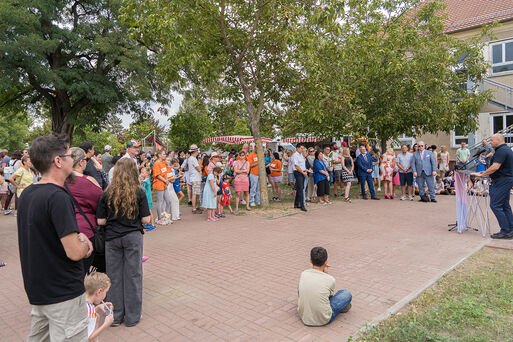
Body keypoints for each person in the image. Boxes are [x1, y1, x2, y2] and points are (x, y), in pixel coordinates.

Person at [18, 134, 93, 341]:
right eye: (69, 155)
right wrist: (85, 244)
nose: (73, 159)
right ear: (58, 161)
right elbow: (75, 252)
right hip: (63, 293)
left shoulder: (28, 194)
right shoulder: (58, 197)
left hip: (38, 291)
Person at [96, 158, 151, 327]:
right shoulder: (139, 192)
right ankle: (133, 316)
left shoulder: (107, 193)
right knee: (133, 275)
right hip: (132, 236)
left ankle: (115, 315)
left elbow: (100, 221)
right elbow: (146, 219)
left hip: (112, 238)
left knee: (113, 277)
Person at [65, 147, 103, 274]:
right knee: (82, 271)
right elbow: (101, 204)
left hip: (63, 231)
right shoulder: (87, 181)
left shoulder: (59, 181)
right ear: (81, 162)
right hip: (86, 232)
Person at [297, 247, 352, 326]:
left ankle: (309, 303)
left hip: (304, 316)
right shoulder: (330, 279)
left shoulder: (304, 273)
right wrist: (326, 273)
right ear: (326, 262)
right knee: (346, 293)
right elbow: (329, 297)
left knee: (302, 284)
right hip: (323, 319)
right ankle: (341, 307)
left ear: (310, 260)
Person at [472, 133, 513, 239]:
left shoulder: (502, 151)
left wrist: (482, 174)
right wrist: (490, 176)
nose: (490, 142)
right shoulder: (503, 150)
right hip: (503, 180)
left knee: (495, 205)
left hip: (502, 181)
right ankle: (510, 229)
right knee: (504, 205)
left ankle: (506, 231)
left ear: (499, 140)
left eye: (492, 140)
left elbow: (495, 166)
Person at [84, 272, 114, 342]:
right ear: (99, 292)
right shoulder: (90, 311)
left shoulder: (83, 301)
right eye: (106, 292)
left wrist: (97, 308)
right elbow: (87, 339)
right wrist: (105, 325)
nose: (105, 295)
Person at [152, 150, 172, 225]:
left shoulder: (163, 163)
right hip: (159, 184)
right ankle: (160, 218)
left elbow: (166, 173)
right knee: (160, 202)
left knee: (168, 201)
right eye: (163, 154)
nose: (165, 155)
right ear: (159, 155)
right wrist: (165, 181)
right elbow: (157, 175)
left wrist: (167, 181)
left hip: (164, 184)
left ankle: (166, 217)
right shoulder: (156, 164)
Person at [3, 150, 22, 215]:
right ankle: (16, 211)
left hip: (9, 179)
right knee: (17, 196)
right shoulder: (19, 162)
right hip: (16, 180)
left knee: (9, 195)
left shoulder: (10, 161)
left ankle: (5, 210)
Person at [187, 145, 203, 214]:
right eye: (197, 151)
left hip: (195, 177)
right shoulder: (193, 159)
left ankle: (195, 207)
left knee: (196, 193)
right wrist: (200, 166)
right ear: (196, 151)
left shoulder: (192, 158)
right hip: (195, 178)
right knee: (195, 193)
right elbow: (199, 168)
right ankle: (194, 208)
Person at [292, 143, 308, 211]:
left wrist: (306, 171)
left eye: (303, 148)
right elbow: (296, 166)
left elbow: (302, 165)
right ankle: (302, 205)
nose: (302, 150)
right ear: (297, 148)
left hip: (303, 172)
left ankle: (296, 203)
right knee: (301, 188)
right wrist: (303, 172)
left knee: (300, 188)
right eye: (301, 148)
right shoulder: (295, 155)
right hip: (298, 172)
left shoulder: (301, 155)